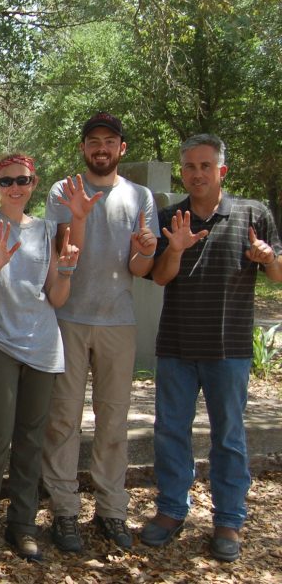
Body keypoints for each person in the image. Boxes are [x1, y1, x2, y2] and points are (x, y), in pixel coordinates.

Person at [141, 134, 282, 562]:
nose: (197, 174)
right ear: (182, 172)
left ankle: (229, 519)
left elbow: (278, 275)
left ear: (221, 171)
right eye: (189, 167)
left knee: (230, 437)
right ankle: (170, 510)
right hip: (177, 345)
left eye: (205, 166)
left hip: (231, 349)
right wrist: (177, 249)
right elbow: (161, 277)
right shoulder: (171, 217)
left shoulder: (253, 213)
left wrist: (267, 259)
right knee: (170, 432)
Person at [41, 112, 159, 552]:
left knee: (113, 421)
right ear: (83, 148)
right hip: (69, 319)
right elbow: (65, 253)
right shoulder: (63, 192)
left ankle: (112, 509)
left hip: (118, 322)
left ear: (121, 149)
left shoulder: (141, 197)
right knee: (63, 419)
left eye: (110, 141)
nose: (102, 148)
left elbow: (138, 268)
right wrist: (79, 216)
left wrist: (146, 251)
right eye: (94, 141)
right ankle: (65, 511)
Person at [0, 153, 82, 573]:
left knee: (31, 441)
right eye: (6, 180)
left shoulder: (49, 230)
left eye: (23, 180)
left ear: (34, 183)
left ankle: (23, 526)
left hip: (43, 346)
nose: (15, 187)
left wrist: (64, 273)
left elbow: (56, 298)